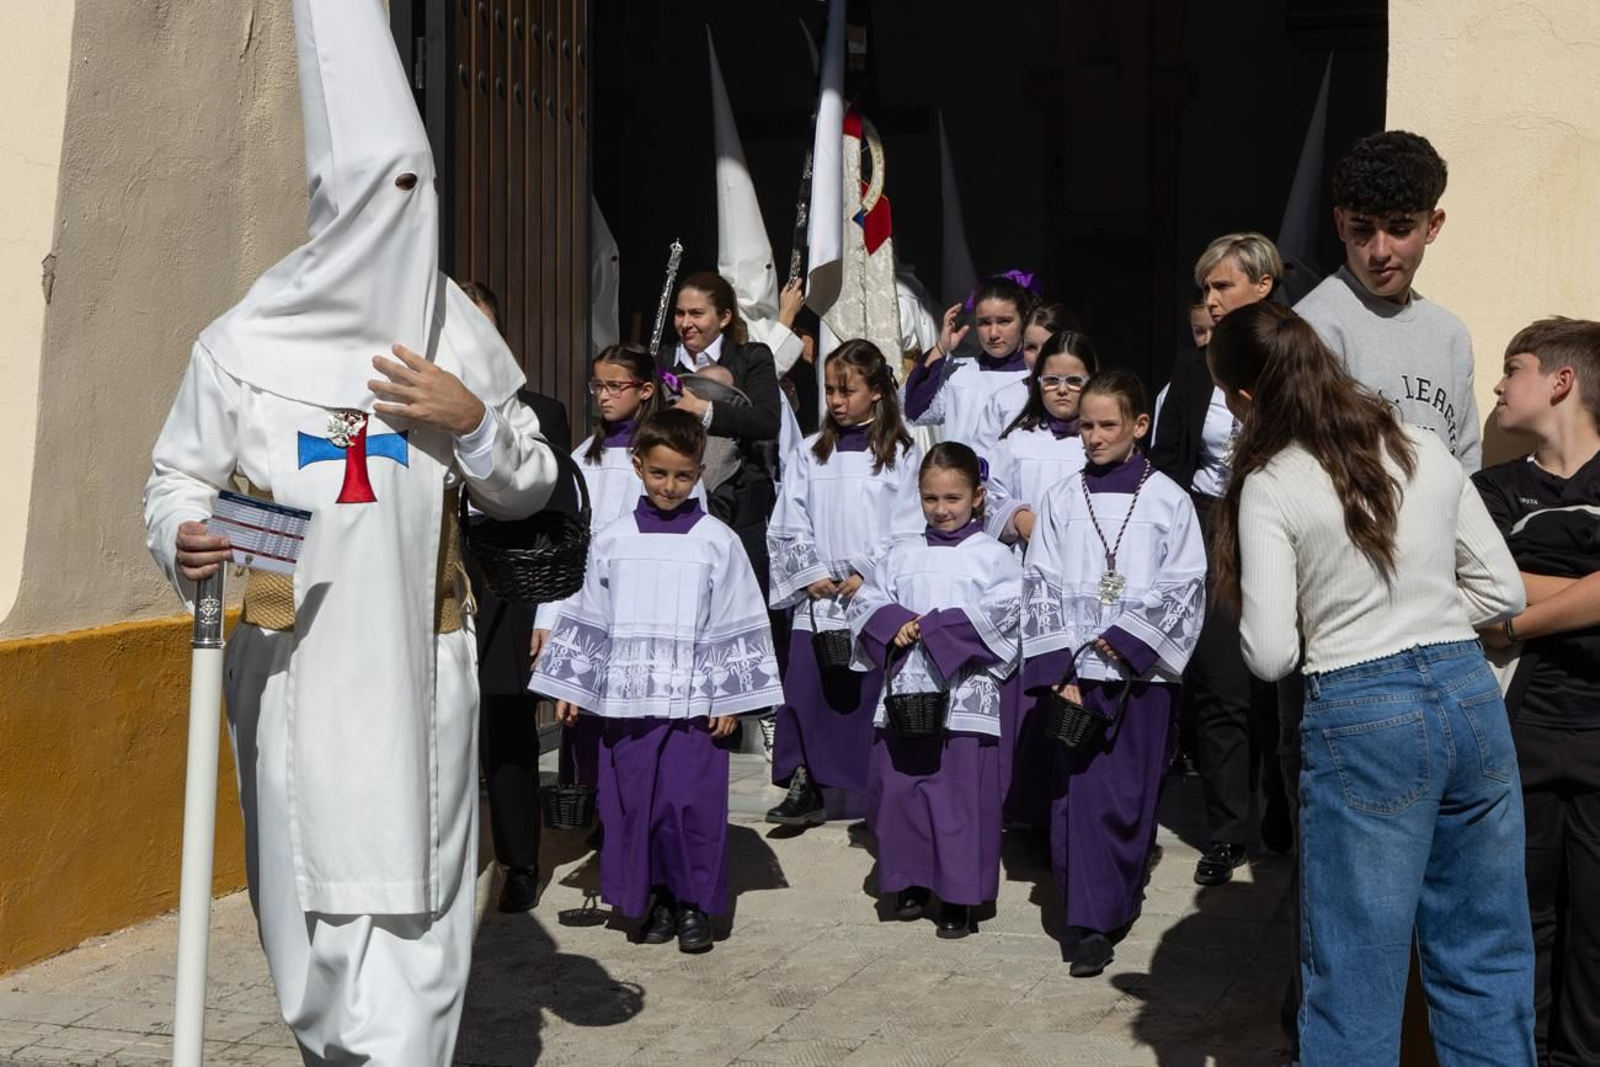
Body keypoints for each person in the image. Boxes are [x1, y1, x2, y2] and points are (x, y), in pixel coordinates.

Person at [142, 0, 561, 1058]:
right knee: (311, 918)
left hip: (421, 658)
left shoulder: (456, 327)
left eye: (418, 192)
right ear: (337, 201)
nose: (405, 214)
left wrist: (470, 422)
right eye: (387, 192)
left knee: (419, 918)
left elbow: (527, 488)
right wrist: (190, 535)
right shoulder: (244, 338)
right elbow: (176, 480)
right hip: (292, 656)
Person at [1209, 300, 1533, 1066]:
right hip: (1467, 694)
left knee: (1354, 971)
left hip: (1361, 709)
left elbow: (1269, 654)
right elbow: (1507, 595)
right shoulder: (1420, 443)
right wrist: (1425, 614)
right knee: (1486, 956)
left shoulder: (1273, 483)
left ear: (1249, 399)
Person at [529, 409, 783, 953]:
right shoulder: (613, 539)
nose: (671, 487)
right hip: (626, 703)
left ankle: (694, 905)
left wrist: (730, 697)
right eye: (660, 473)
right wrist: (573, 689)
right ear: (639, 467)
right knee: (635, 805)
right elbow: (588, 612)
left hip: (695, 701)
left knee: (688, 805)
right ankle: (655, 900)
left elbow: (736, 616)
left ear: (699, 474)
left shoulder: (717, 541)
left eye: (684, 476)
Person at [1020, 369, 1206, 978]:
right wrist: (1058, 669)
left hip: (1142, 676)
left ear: (1138, 425)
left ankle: (1118, 897)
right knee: (1079, 797)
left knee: (1130, 798)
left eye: (1107, 425)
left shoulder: (1169, 500)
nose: (1093, 437)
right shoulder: (1062, 498)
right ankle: (1087, 920)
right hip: (1078, 675)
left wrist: (1127, 642)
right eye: (1085, 427)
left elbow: (1186, 587)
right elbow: (1040, 582)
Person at [1473, 317, 1600, 1067]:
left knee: (1595, 935)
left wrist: (1518, 623)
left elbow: (1501, 600)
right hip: (1513, 736)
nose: (1496, 385)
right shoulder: (1489, 491)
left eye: (1512, 367)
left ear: (1560, 380)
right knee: (1520, 927)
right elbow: (1473, 585)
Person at [1150, 233, 1291, 885]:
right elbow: (1169, 461)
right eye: (1205, 289)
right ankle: (1229, 828)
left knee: (1280, 675)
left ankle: (1284, 804)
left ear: (1263, 286)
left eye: (1221, 286)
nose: (1208, 300)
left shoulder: (1295, 358)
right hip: (1211, 526)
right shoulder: (1189, 367)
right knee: (1219, 679)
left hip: (1287, 522)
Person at [848, 443, 1023, 938]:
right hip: (905, 691)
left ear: (978, 497)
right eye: (930, 499)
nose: (942, 510)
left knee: (959, 799)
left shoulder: (995, 557)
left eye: (953, 498)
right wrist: (895, 623)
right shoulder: (900, 552)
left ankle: (957, 896)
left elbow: (1007, 614)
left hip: (966, 696)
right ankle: (909, 882)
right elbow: (865, 599)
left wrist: (935, 631)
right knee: (900, 791)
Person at [765, 340, 924, 827]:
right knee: (807, 689)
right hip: (818, 592)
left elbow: (909, 525)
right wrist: (809, 570)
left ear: (876, 392)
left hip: (870, 590)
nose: (835, 400)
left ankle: (872, 786)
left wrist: (867, 572)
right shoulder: (810, 452)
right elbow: (787, 521)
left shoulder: (902, 452)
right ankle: (805, 781)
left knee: (867, 693)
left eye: (847, 390)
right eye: (830, 389)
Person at [457, 280, 574, 914]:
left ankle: (519, 862)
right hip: (438, 587)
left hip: (508, 591)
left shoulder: (542, 413)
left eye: (482, 328)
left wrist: (550, 613)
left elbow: (556, 519)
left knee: (507, 733)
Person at [1293, 130, 1481, 473]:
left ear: (1433, 226)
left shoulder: (1450, 335)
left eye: (1400, 229)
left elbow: (1466, 469)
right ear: (1340, 224)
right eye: (1363, 229)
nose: (1380, 251)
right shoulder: (1313, 327)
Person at [982, 331, 1097, 828]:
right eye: (1052, 379)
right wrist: (1018, 519)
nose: (1063, 390)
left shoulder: (1099, 438)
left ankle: (1072, 804)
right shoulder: (1016, 440)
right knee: (1034, 693)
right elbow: (990, 495)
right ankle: (1027, 810)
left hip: (1087, 580)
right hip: (1030, 576)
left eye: (1075, 380)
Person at [665, 270, 784, 592]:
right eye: (679, 313)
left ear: (725, 316)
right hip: (674, 505)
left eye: (697, 313)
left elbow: (767, 421)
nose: (685, 322)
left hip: (741, 510)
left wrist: (706, 411)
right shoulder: (662, 363)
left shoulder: (751, 358)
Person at [902, 276, 1037, 447]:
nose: (993, 333)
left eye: (1004, 321)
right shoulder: (960, 372)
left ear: (1023, 319)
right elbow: (914, 410)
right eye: (984, 323)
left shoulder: (1036, 377)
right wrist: (941, 348)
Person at [971, 301, 1081, 451]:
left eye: (1050, 346)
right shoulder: (1004, 400)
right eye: (1031, 347)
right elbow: (982, 456)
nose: (1039, 355)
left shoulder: (1092, 397)